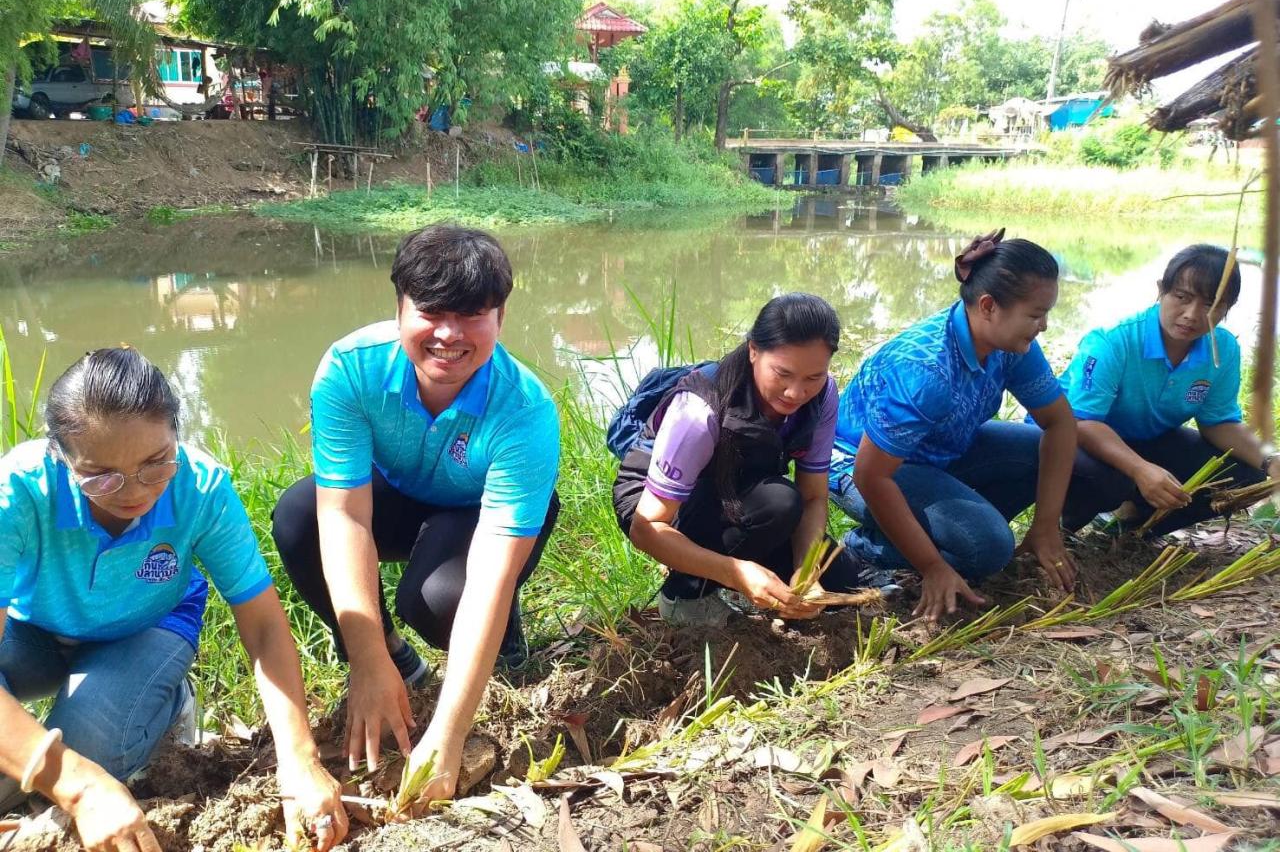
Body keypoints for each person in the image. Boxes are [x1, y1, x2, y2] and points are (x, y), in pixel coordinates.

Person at [0, 349, 345, 852]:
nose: (135, 491)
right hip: (33, 629)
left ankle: (166, 699)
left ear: (176, 436)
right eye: (101, 475)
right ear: (59, 456)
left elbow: (264, 625)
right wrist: (82, 788)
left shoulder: (201, 488)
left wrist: (300, 761)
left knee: (86, 749)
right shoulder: (18, 492)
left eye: (155, 463)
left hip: (148, 625)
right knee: (64, 772)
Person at [271, 224, 559, 802]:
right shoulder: (351, 369)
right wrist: (367, 654)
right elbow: (345, 515)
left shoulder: (525, 410)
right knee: (298, 516)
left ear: (501, 318)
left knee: (439, 602)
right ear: (400, 308)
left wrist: (447, 740)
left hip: (477, 511)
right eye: (429, 311)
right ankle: (398, 661)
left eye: (474, 314)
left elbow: (491, 574)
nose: (449, 336)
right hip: (396, 493)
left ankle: (504, 641)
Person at [828, 230, 1079, 621]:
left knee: (1037, 451)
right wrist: (932, 566)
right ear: (988, 306)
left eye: (1045, 313)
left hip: (938, 451)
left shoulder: (1011, 346)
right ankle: (864, 549)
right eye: (1035, 314)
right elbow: (870, 474)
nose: (1043, 325)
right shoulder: (926, 371)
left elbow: (1060, 424)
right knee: (989, 548)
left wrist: (1047, 525)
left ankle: (956, 533)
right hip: (859, 466)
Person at [612, 293, 864, 627]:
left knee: (841, 584)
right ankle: (684, 594)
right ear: (753, 350)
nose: (796, 393)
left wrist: (806, 569)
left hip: (740, 490)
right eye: (782, 374)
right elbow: (646, 528)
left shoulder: (824, 396)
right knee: (780, 502)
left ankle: (736, 558)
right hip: (659, 503)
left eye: (812, 378)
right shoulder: (699, 411)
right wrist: (734, 573)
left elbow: (814, 495)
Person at [1059, 244, 1277, 535]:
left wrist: (1271, 459)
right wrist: (1139, 469)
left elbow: (1220, 422)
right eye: (1182, 297)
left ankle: (1131, 525)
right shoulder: (1114, 341)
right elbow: (1082, 422)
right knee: (1111, 478)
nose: (1192, 314)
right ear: (1162, 290)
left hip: (1147, 440)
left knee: (1247, 473)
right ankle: (1068, 526)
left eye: (1211, 305)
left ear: (1227, 308)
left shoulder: (1222, 348)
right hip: (1073, 439)